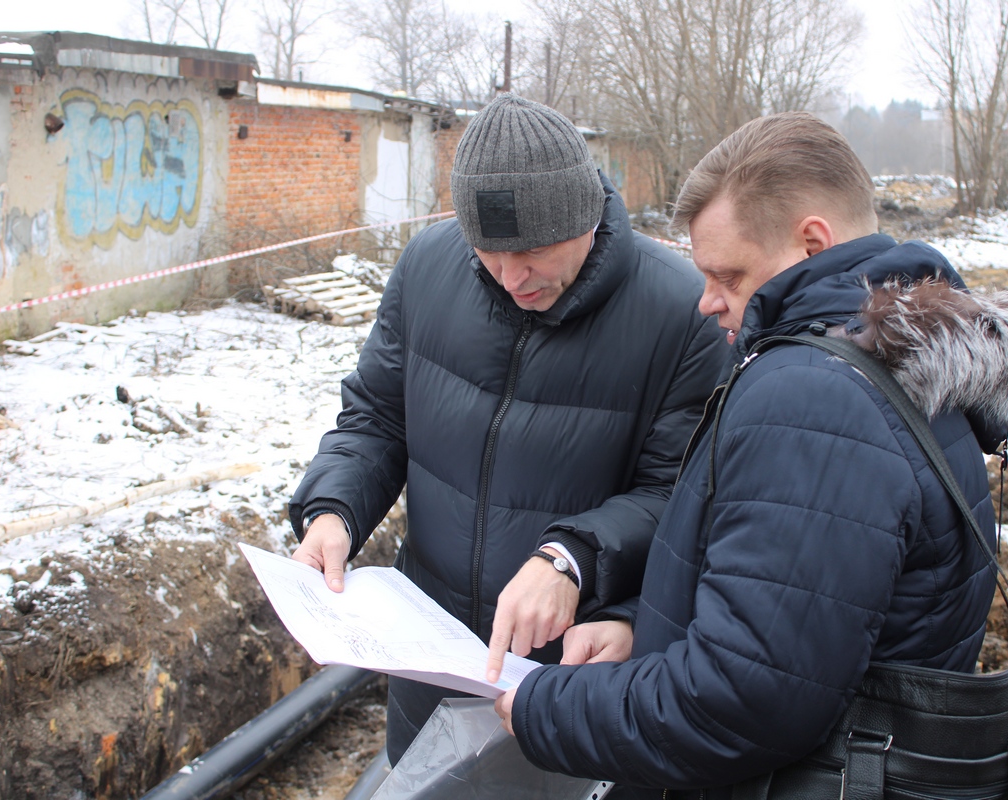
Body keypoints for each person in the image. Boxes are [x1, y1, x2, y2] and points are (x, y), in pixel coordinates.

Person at [494, 112, 1008, 798]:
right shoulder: (907, 363)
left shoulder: (815, 400)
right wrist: (641, 626)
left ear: (811, 242)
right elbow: (814, 606)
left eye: (727, 275)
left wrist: (546, 707)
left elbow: (742, 700)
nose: (707, 302)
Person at [288, 93, 726, 764]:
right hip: (427, 655)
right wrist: (335, 509)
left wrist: (571, 559)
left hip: (569, 678)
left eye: (534, 253)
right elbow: (376, 416)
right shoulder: (427, 269)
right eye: (490, 253)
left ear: (585, 216)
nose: (512, 277)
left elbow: (681, 493)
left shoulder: (682, 313)